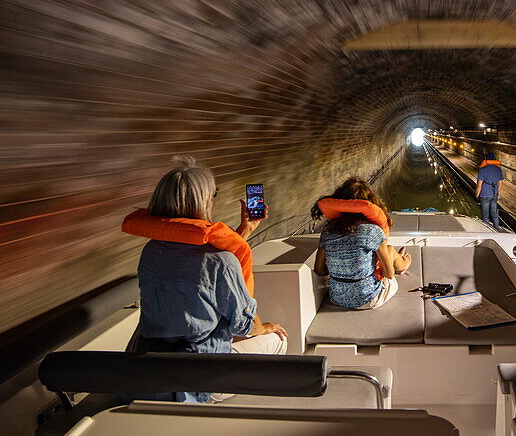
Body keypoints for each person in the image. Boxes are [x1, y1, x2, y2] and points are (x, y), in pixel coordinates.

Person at [121, 155, 287, 403]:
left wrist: (243, 232)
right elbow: (244, 326)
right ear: (204, 201)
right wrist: (265, 327)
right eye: (214, 193)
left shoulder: (152, 250)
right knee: (277, 340)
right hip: (195, 379)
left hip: (147, 370)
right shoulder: (221, 262)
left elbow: (193, 263)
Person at [312, 177, 412, 309]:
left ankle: (399, 260)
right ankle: (403, 264)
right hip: (370, 299)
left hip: (336, 298)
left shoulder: (328, 231)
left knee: (386, 251)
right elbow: (389, 274)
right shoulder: (373, 231)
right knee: (389, 250)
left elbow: (319, 270)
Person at [475, 152, 505, 230]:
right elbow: (501, 184)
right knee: (494, 214)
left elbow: (479, 186)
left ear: (486, 160)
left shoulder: (482, 170)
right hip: (494, 194)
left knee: (485, 214)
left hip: (484, 195)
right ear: (494, 159)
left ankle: (487, 231)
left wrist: (477, 195)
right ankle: (496, 229)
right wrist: (496, 192)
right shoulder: (498, 170)